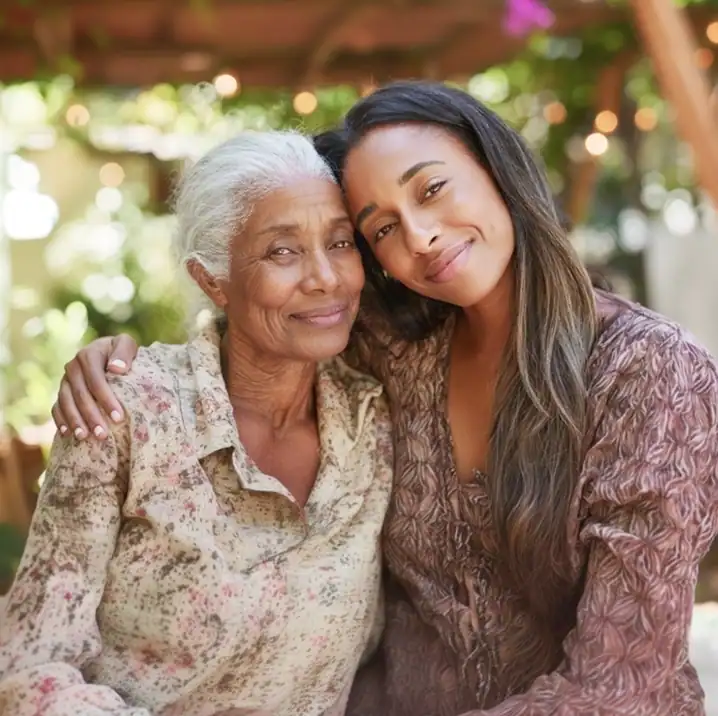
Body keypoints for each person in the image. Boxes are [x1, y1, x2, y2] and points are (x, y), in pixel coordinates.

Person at [51, 81, 718, 715]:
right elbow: (265, 316)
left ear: (495, 166)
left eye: (431, 189)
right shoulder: (391, 352)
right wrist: (123, 362)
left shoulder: (649, 372)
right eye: (382, 230)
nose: (421, 237)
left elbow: (621, 681)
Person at [0, 131, 394, 716]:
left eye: (340, 243)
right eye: (282, 252)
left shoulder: (375, 421)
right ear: (212, 280)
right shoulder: (130, 408)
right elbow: (30, 666)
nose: (326, 277)